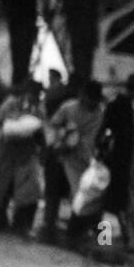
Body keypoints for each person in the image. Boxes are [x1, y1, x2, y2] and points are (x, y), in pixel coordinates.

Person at [43, 79, 105, 248]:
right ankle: (53, 230)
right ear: (82, 95)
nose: (92, 102)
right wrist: (59, 141)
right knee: (61, 194)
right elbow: (52, 126)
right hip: (66, 157)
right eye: (89, 98)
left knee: (94, 198)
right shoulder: (68, 108)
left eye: (95, 99)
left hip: (90, 160)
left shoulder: (101, 113)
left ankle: (98, 237)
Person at [97, 73, 134, 253]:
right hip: (120, 160)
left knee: (122, 202)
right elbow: (104, 131)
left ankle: (114, 239)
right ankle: (119, 240)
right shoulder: (118, 106)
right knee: (118, 202)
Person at [0, 79, 45, 237]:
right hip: (6, 152)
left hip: (26, 154)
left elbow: (40, 129)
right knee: (2, 187)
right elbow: (0, 122)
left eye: (37, 95)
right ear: (26, 92)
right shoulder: (10, 103)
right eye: (32, 94)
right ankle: (0, 220)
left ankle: (22, 225)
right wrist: (17, 123)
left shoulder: (38, 109)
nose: (34, 98)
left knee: (29, 191)